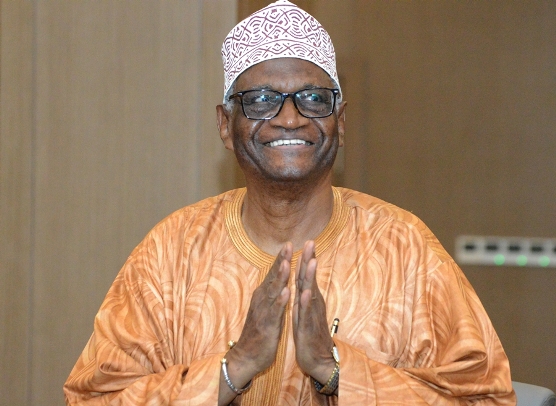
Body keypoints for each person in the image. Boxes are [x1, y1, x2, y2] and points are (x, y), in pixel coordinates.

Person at [64, 1, 515, 405]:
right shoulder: (171, 253)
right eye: (262, 100)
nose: (290, 118)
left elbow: (486, 399)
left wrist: (335, 370)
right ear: (225, 125)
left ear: (340, 122)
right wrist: (235, 366)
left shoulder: (405, 250)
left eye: (313, 99)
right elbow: (92, 399)